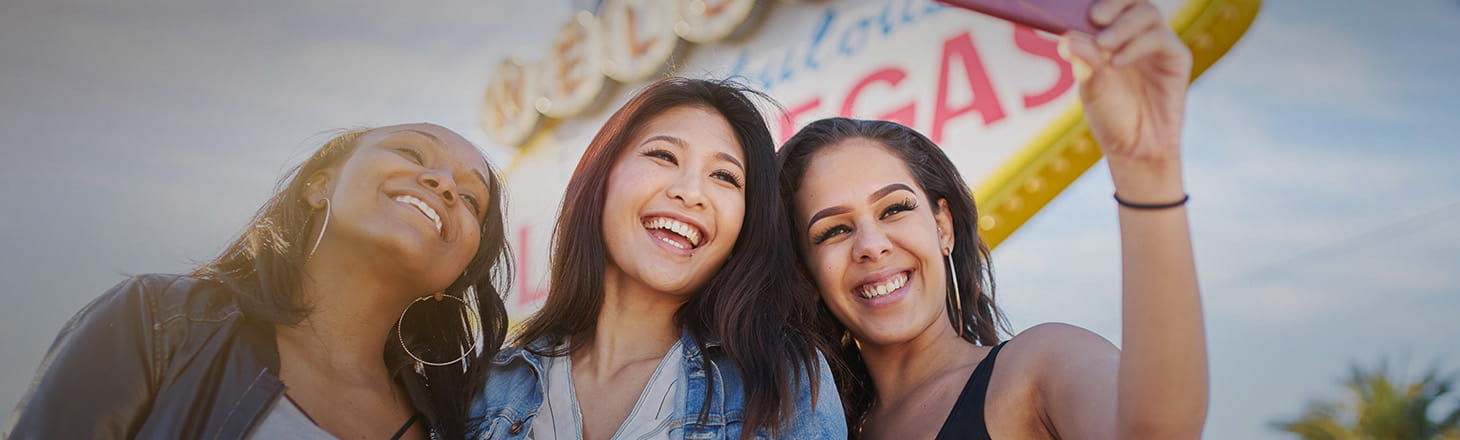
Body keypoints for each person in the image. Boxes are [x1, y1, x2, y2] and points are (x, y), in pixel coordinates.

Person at [776, 1, 1207, 438]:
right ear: (804, 275)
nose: (872, 244)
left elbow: (1154, 430)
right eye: (834, 230)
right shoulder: (814, 428)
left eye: (895, 209)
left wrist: (1147, 171)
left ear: (943, 227)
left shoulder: (1035, 369)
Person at [8, 123, 512, 440]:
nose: (444, 184)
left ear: (456, 276)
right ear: (319, 185)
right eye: (412, 153)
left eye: (471, 200)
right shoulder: (160, 321)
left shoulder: (457, 425)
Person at [470, 78, 845, 439]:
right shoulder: (488, 389)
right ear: (599, 180)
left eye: (724, 176)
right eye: (664, 155)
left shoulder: (783, 380)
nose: (690, 192)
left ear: (745, 226)